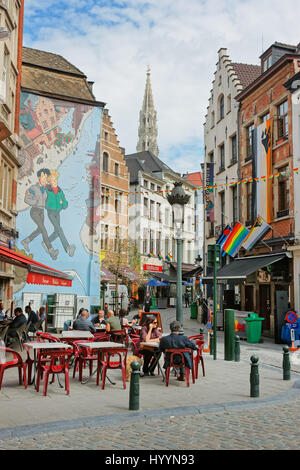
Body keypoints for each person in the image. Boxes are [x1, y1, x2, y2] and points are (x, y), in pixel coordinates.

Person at [22, 168, 59, 260]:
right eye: (43, 176)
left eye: (46, 177)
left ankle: (26, 241)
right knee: (43, 230)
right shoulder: (33, 188)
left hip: (41, 211)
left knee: (39, 230)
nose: (44, 178)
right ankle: (51, 250)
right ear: (39, 177)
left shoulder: (45, 189)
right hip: (34, 211)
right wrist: (35, 202)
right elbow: (26, 199)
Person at [45, 170, 76, 257]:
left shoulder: (60, 191)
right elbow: (43, 199)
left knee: (56, 232)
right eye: (52, 180)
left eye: (55, 180)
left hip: (57, 213)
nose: (55, 182)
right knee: (60, 229)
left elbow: (65, 204)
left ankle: (45, 242)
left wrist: (62, 203)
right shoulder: (47, 190)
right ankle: (67, 248)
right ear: (49, 181)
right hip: (50, 212)